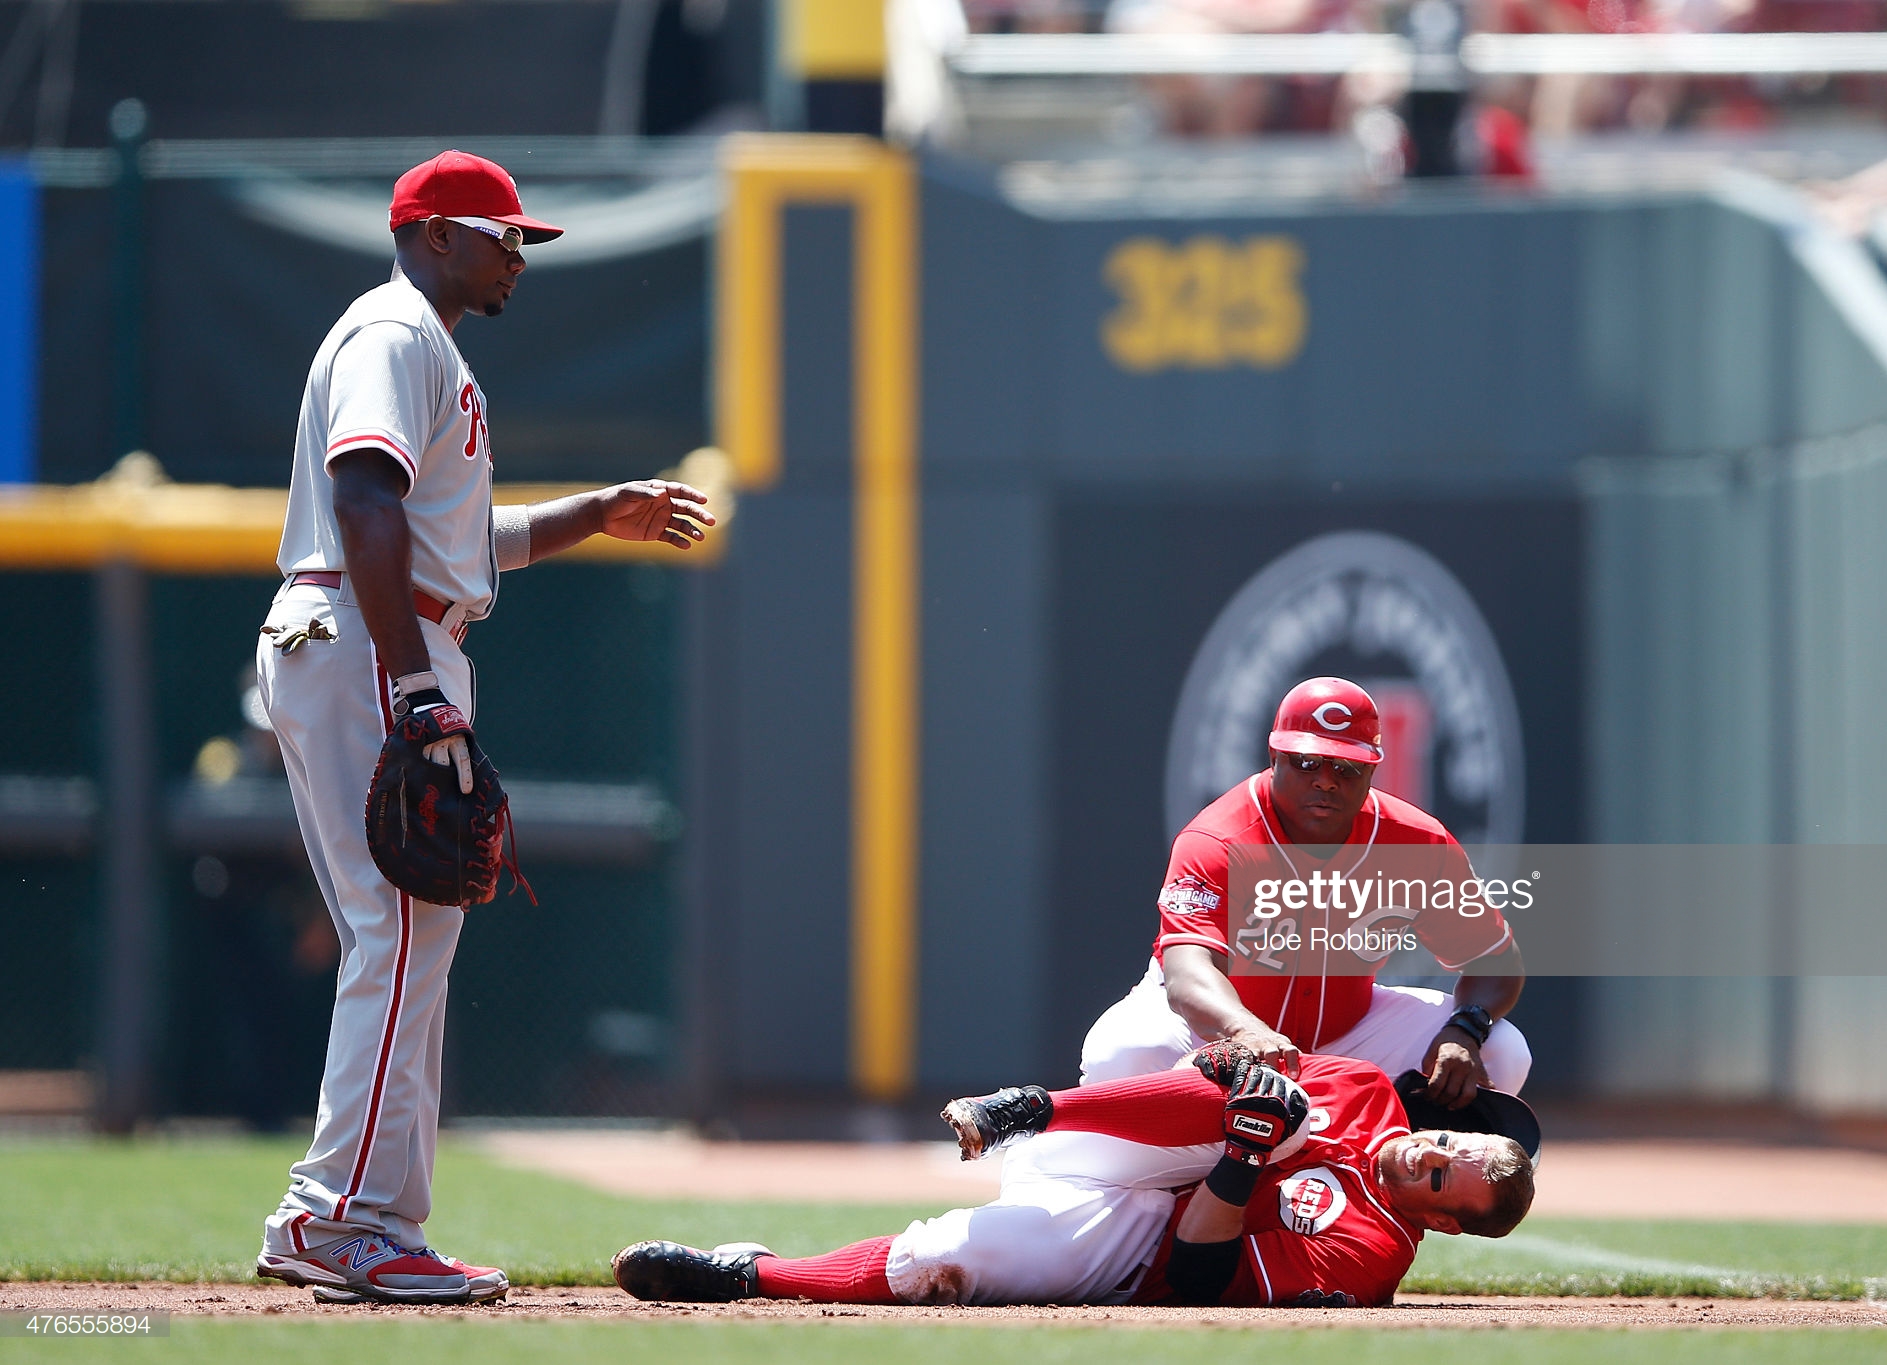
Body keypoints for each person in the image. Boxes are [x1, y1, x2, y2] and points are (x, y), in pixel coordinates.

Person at [252, 150, 716, 1305]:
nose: (519, 255)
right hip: (374, 638)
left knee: (408, 933)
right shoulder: (395, 333)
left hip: (383, 628)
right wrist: (414, 684)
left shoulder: (424, 344)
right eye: (504, 235)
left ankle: (372, 1220)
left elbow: (453, 541)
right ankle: (335, 1218)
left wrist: (594, 514)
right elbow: (364, 497)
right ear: (438, 233)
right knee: (403, 933)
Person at [612, 1049, 1535, 1308]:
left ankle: (746, 1272)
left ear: (1445, 1224)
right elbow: (1218, 1078)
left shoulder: (1369, 1254)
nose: (1432, 1151)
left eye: (1447, 1175)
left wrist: (1249, 1157)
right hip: (1116, 1144)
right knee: (1277, 1099)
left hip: (1145, 1248)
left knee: (941, 1264)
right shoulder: (1372, 1087)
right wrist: (1248, 1101)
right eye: (1450, 1141)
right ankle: (1028, 1105)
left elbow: (1205, 1280)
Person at [1082, 677, 1530, 1108]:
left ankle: (1409, 1174)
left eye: (1347, 767)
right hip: (1214, 1031)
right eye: (1307, 762)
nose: (1326, 780)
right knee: (1123, 1053)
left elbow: (1495, 960)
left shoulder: (1415, 843)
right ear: (1274, 756)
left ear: (1373, 768)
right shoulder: (1219, 839)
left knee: (1502, 1050)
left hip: (1351, 1031)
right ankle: (1149, 1179)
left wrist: (1466, 1029)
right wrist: (1243, 1031)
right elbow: (1187, 976)